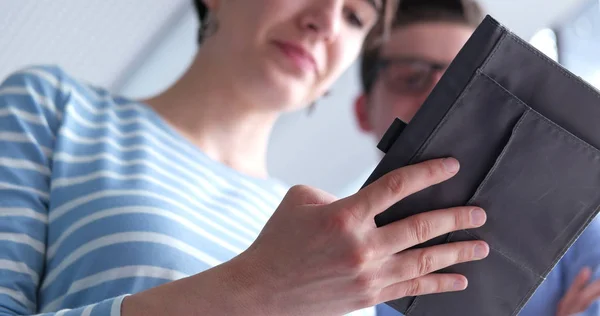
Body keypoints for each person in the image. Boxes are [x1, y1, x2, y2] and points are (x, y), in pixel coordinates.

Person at [0, 0, 494, 315]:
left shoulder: (342, 247)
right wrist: (260, 287)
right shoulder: (53, 106)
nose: (325, 21)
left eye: (355, 17)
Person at [351, 1, 600, 315]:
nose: (439, 100)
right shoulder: (364, 273)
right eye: (411, 78)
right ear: (363, 111)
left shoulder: (576, 215)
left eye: (466, 81)